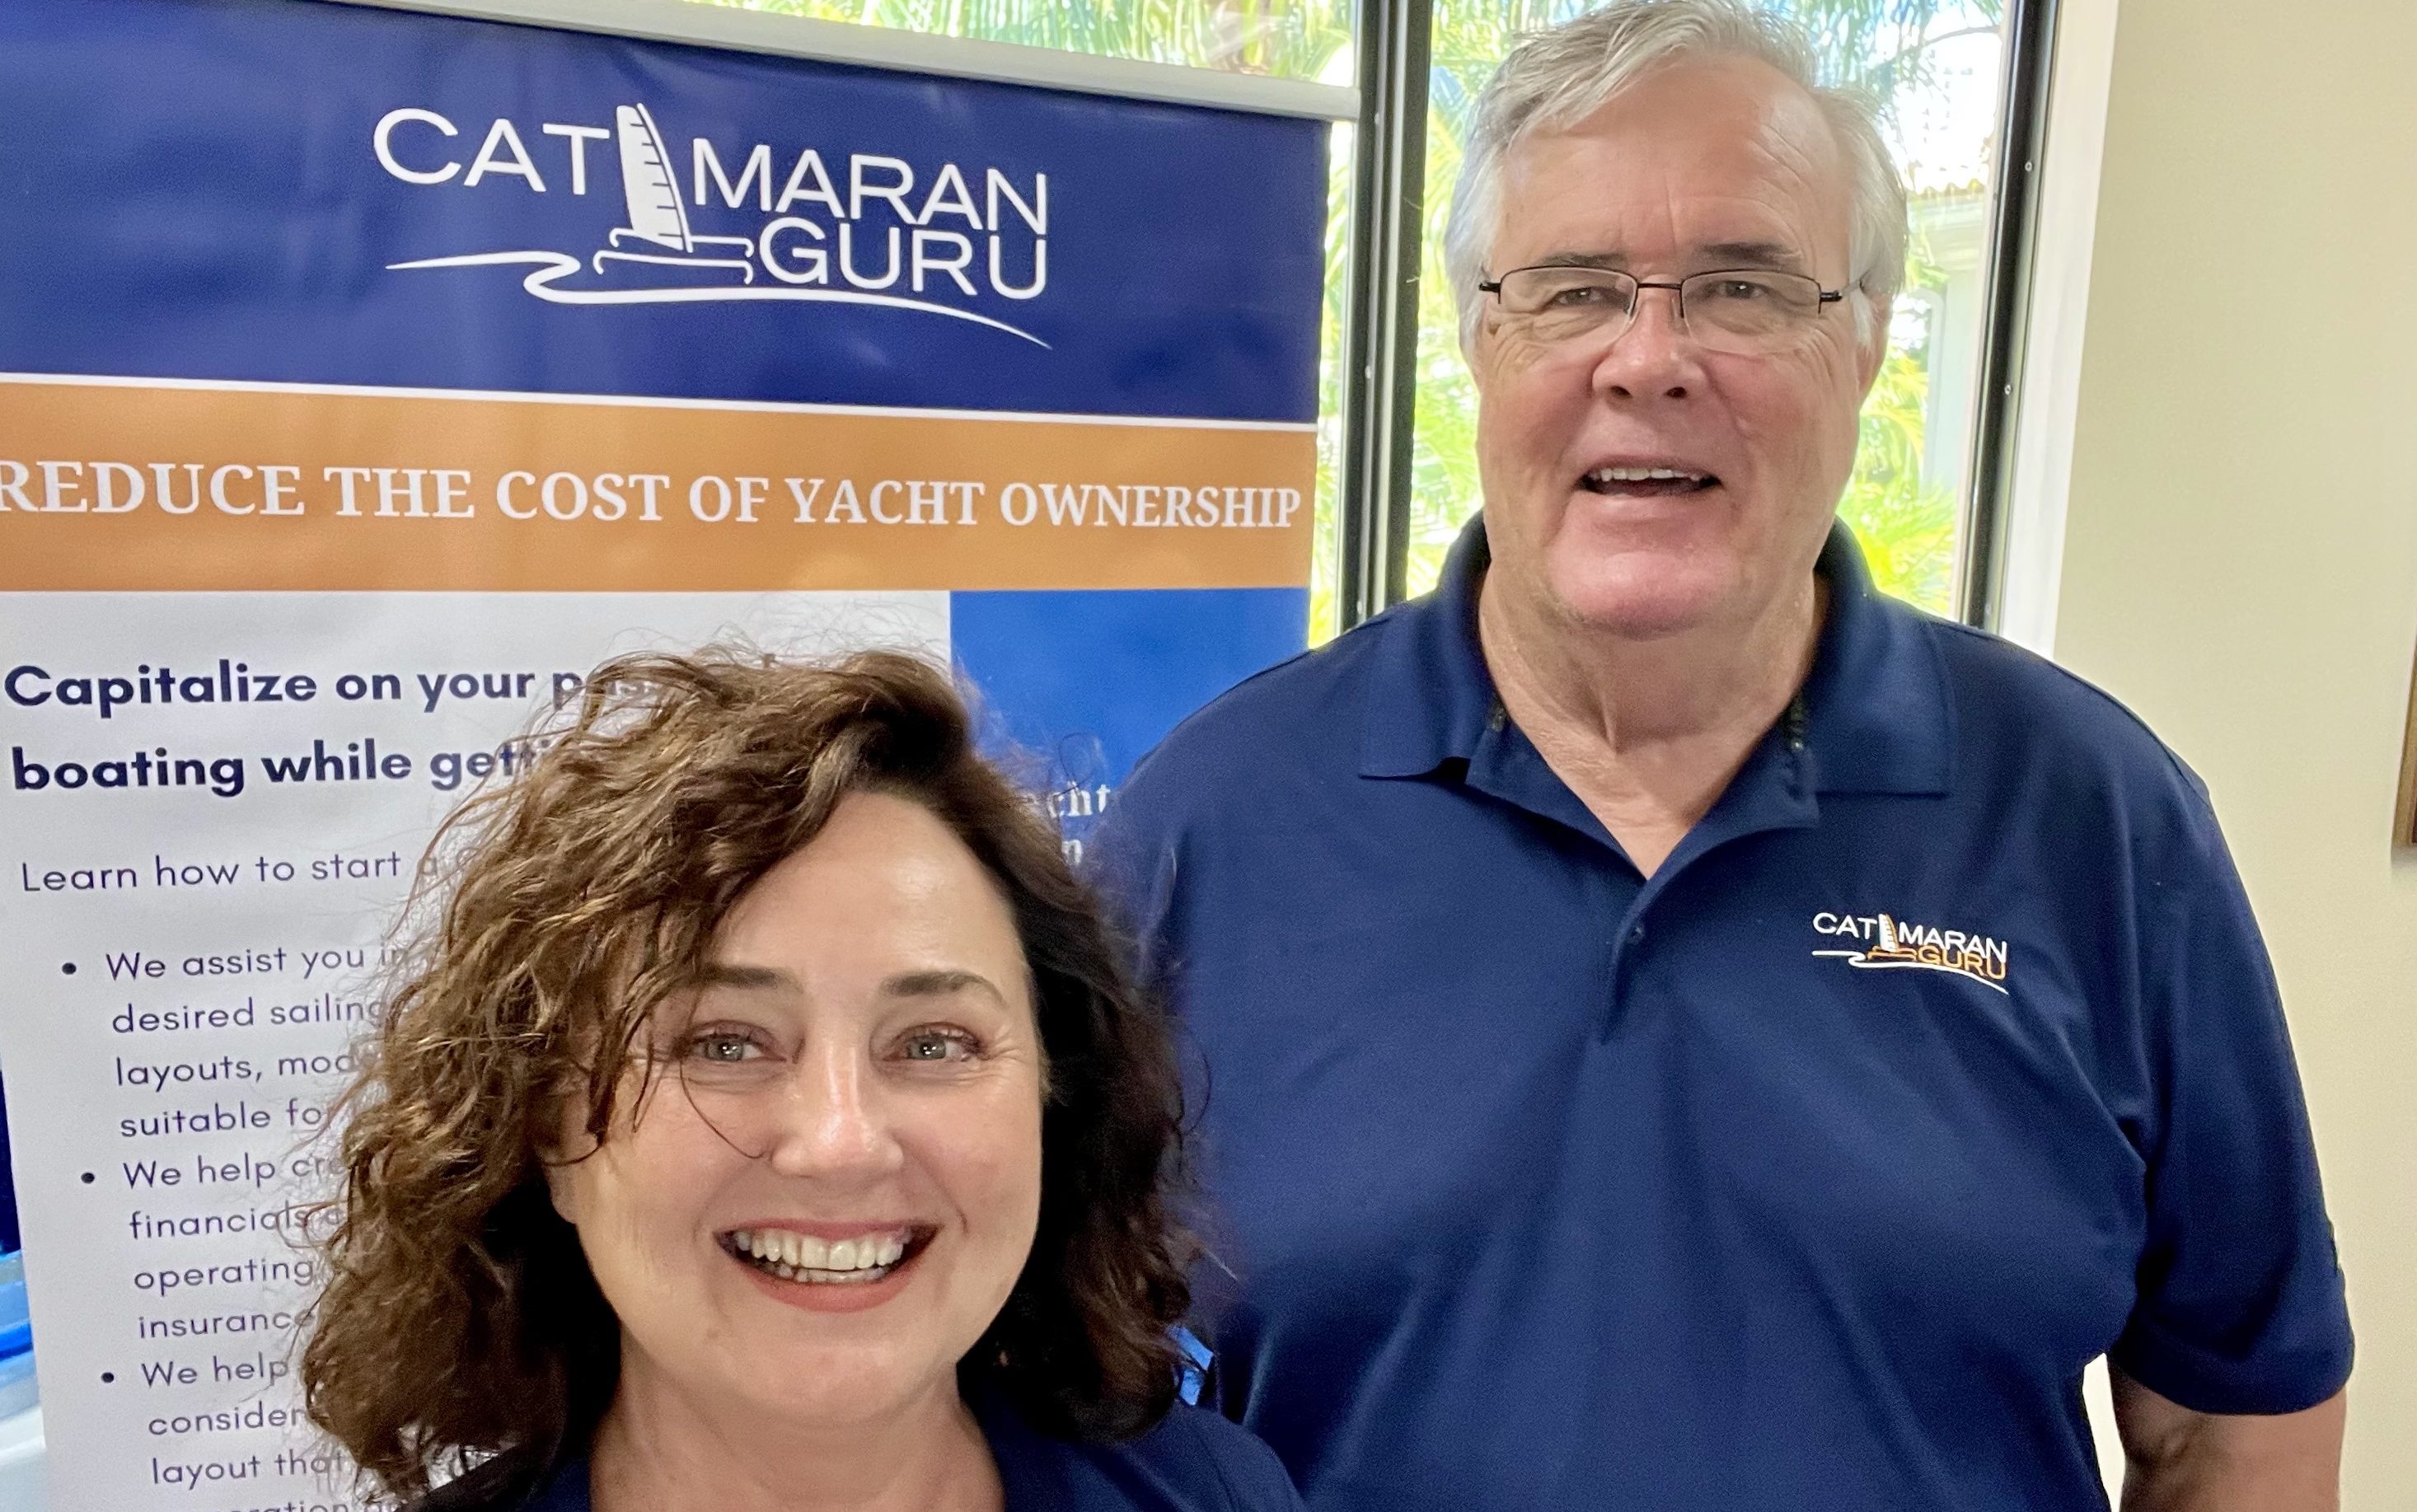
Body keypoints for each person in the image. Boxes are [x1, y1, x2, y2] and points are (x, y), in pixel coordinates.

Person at [1089, 3, 2354, 1509]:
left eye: (1742, 288)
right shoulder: (1210, 826)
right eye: (1570, 290)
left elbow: (2235, 1424)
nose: (1649, 359)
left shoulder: (2099, 820)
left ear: (1867, 338)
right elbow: (1057, 1387)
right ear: (1481, 339)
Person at [300, 649, 1305, 1512]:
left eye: (934, 1041)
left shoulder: (1215, 1492)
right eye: (723, 1042)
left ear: (1056, 1101)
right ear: (548, 1131)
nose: (840, 1141)